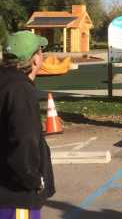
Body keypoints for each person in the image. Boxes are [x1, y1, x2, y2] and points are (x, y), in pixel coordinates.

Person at [0, 31, 55, 219]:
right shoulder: (20, 90)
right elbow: (24, 140)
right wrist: (34, 180)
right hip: (15, 196)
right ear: (34, 60)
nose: (42, 56)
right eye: (40, 51)